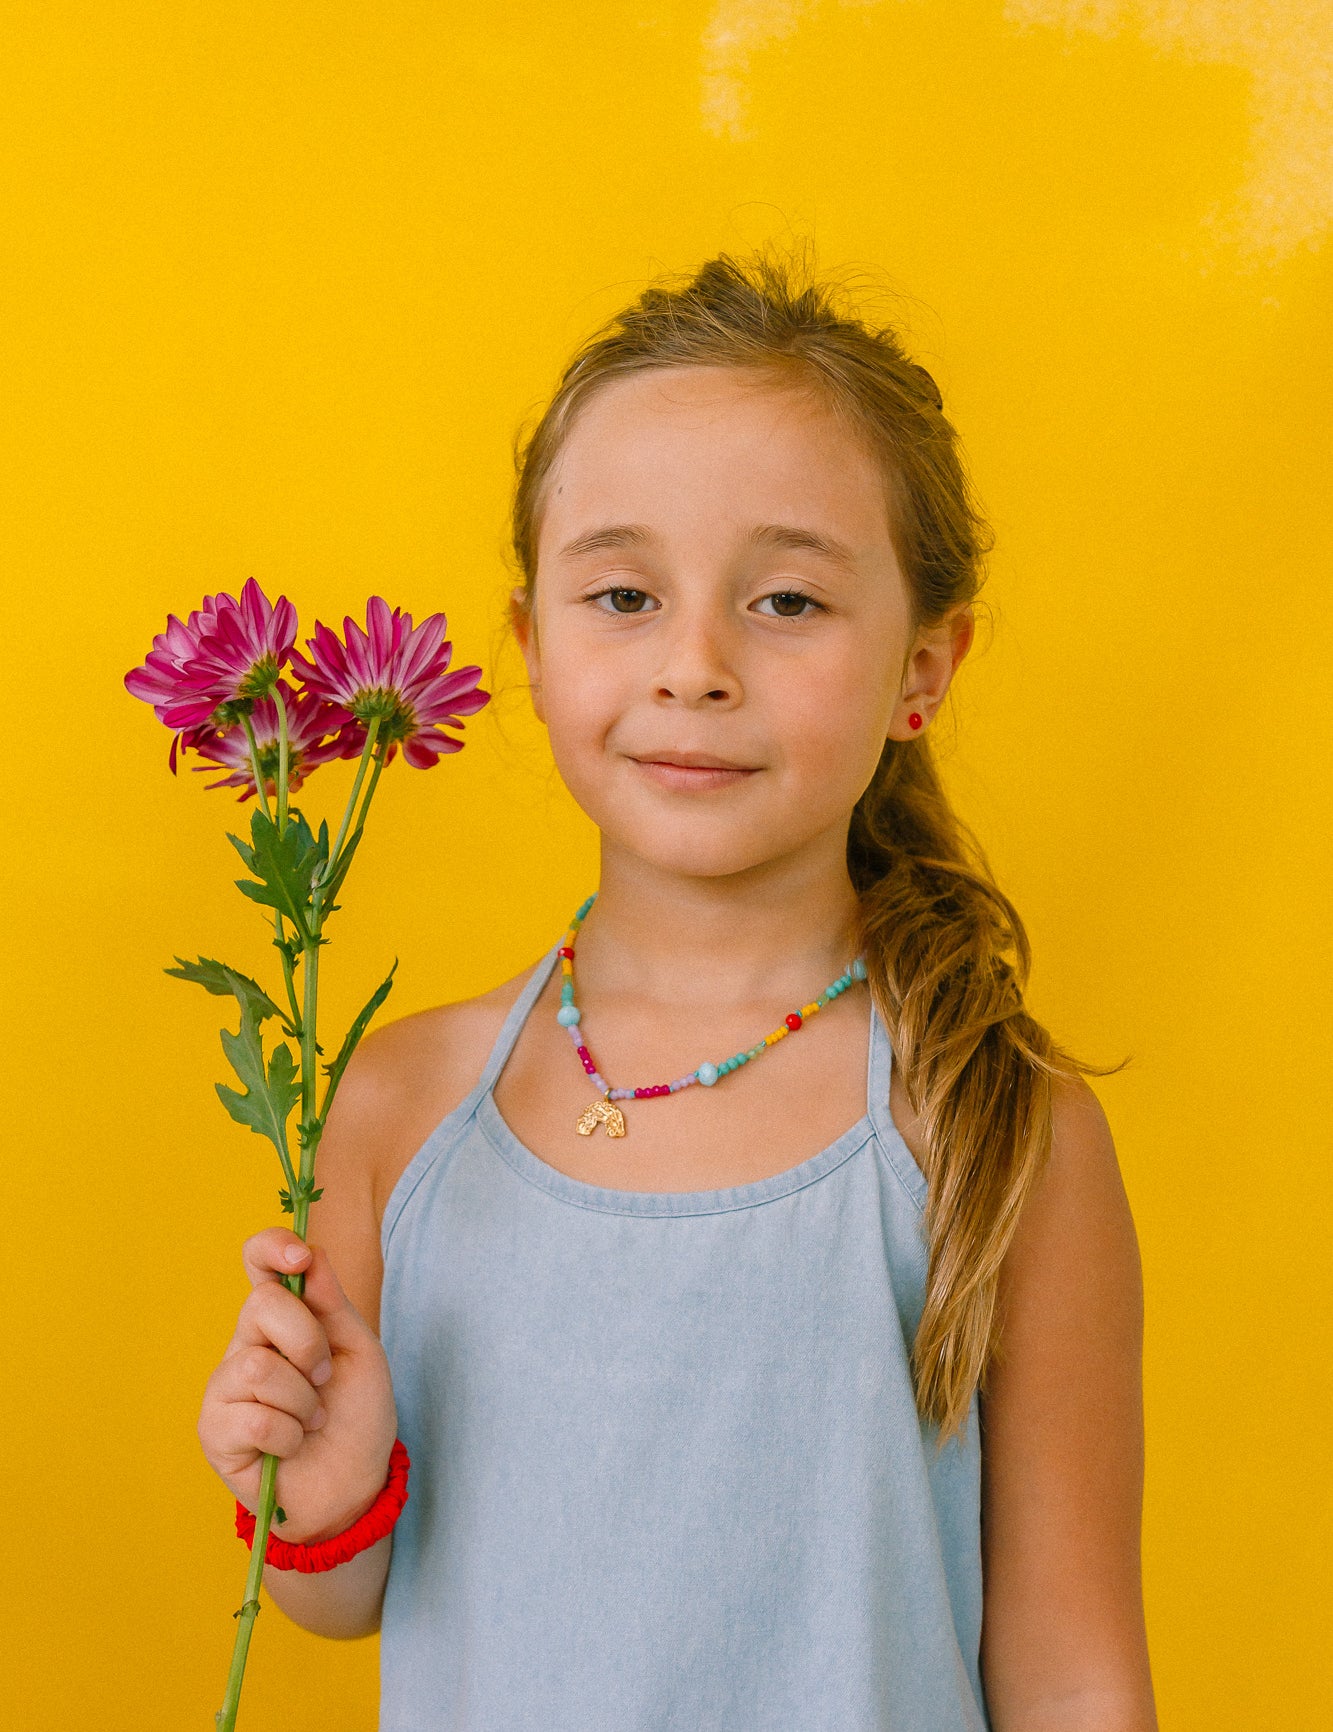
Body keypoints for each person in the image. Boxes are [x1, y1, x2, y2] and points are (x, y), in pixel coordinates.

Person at [197, 248, 1157, 1730]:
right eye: (625, 594)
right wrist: (316, 1493)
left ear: (924, 665)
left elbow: (1077, 1677)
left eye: (783, 602)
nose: (694, 665)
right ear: (531, 647)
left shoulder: (989, 1128)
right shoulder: (397, 1103)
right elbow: (342, 1597)